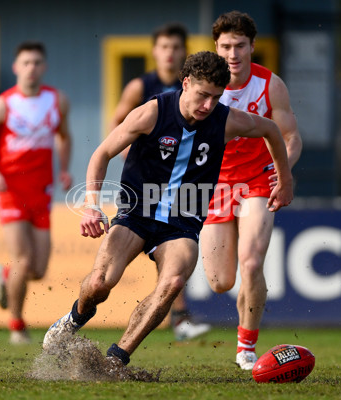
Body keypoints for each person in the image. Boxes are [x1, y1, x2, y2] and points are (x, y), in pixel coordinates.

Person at [42, 51, 293, 368]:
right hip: (136, 214)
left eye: (216, 98)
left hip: (182, 224)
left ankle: (116, 359)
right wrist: (91, 206)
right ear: (186, 84)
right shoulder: (152, 112)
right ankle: (75, 317)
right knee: (100, 283)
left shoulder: (225, 120)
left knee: (174, 282)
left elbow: (271, 129)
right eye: (202, 96)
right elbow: (102, 153)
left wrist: (283, 181)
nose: (208, 106)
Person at [200, 11, 303, 370]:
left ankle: (246, 347)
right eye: (226, 46)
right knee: (219, 281)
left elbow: (290, 137)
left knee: (252, 262)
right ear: (216, 47)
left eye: (240, 45)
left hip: (258, 182)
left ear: (252, 47)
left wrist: (282, 170)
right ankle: (244, 341)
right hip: (214, 186)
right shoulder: (204, 85)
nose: (233, 53)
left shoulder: (269, 84)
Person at [109, 22, 210, 341]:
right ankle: (179, 318)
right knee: (109, 274)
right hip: (145, 188)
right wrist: (133, 157)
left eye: (176, 48)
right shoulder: (141, 87)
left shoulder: (199, 90)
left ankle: (179, 318)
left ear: (184, 52)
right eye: (164, 47)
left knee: (173, 254)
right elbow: (118, 125)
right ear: (155, 52)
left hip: (183, 188)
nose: (170, 54)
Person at [0, 41, 73, 344]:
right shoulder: (2, 104)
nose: (31, 68)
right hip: (10, 189)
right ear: (16, 67)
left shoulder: (57, 100)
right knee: (24, 260)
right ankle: (17, 325)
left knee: (37, 271)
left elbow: (64, 137)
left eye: (37, 62)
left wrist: (64, 168)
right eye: (26, 63)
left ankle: (5, 275)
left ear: (44, 67)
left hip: (41, 191)